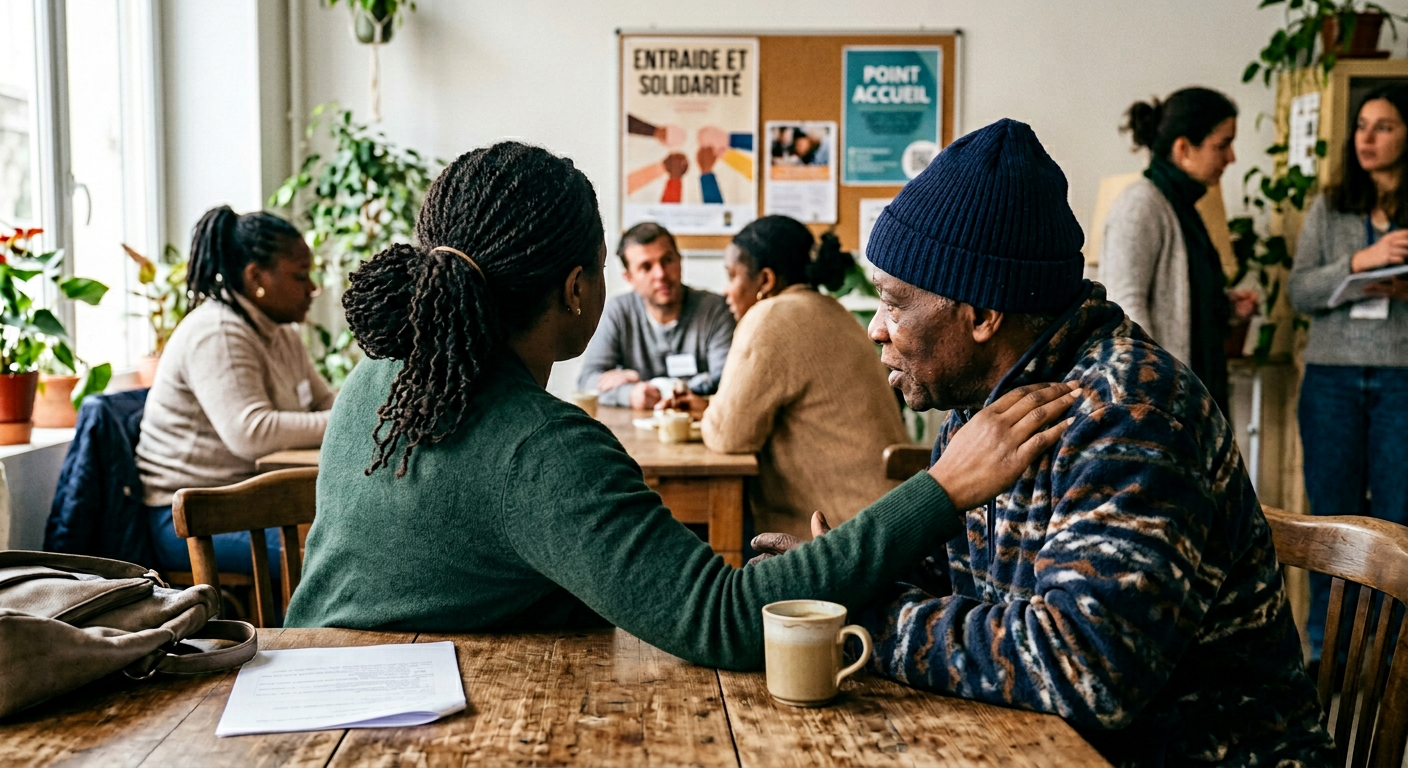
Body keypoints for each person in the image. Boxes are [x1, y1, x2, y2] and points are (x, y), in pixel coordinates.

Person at [283, 141, 1081, 670]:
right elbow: (724, 619)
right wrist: (942, 489)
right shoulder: (542, 449)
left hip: (299, 692)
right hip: (411, 724)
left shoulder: (378, 379)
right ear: (577, 289)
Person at [782, 119, 1329, 765]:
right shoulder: (987, 401)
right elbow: (947, 577)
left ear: (982, 314)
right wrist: (838, 575)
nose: (876, 328)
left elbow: (1087, 668)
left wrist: (863, 619)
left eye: (894, 303)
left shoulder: (1132, 413)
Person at [662, 215, 907, 540]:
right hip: (889, 521)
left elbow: (728, 437)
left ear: (765, 280)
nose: (726, 291)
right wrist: (708, 407)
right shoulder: (833, 311)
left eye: (732, 276)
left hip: (838, 536)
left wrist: (712, 415)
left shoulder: (769, 316)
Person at [137, 206, 333, 575]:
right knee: (335, 559)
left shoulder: (281, 331)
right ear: (255, 275)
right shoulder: (218, 332)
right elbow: (252, 432)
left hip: (254, 502)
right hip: (194, 518)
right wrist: (347, 421)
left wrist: (364, 410)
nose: (312, 288)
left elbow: (324, 402)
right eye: (300, 276)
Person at [1290, 84, 1408, 666]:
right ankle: (1326, 653)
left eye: (1383, 126)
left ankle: (1389, 664)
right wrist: (1359, 263)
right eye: (1362, 125)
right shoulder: (1330, 205)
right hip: (1331, 380)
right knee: (1331, 522)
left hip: (1402, 380)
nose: (1367, 137)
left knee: (1397, 524)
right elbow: (1299, 291)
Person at [1100, 87, 1258, 417]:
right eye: (1222, 145)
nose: (1231, 158)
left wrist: (1226, 306)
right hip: (1158, 403)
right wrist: (1154, 396)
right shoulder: (1141, 204)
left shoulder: (1182, 207)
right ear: (1183, 148)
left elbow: (1182, 298)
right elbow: (1124, 306)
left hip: (1191, 395)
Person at [576, 222, 734, 410]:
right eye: (646, 267)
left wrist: (663, 389)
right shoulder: (618, 312)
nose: (660, 274)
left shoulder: (715, 310)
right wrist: (630, 394)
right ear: (629, 278)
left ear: (680, 260)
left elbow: (728, 381)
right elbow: (587, 382)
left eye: (667, 260)